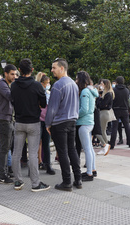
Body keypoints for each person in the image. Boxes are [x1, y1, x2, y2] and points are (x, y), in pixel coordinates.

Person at [11, 58, 50, 192]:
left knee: (16, 152)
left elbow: (12, 101)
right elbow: (44, 104)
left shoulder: (14, 86)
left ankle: (17, 181)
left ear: (19, 70)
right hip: (33, 122)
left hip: (19, 122)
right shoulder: (37, 85)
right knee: (33, 153)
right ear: (32, 70)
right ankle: (35, 183)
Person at [45, 58, 82, 192]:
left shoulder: (58, 85)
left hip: (60, 122)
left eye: (54, 67)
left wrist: (48, 123)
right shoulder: (73, 84)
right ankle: (78, 179)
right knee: (72, 150)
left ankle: (67, 182)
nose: (52, 70)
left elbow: (52, 108)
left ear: (62, 68)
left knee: (63, 152)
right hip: (72, 120)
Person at [0, 64, 18, 184]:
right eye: (12, 74)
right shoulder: (2, 85)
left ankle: (6, 172)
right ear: (6, 74)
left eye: (15, 74)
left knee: (7, 147)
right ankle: (2, 176)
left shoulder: (7, 85)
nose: (14, 76)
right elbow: (11, 97)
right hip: (4, 120)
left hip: (9, 119)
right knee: (4, 149)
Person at [75, 71, 99, 181]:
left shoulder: (84, 91)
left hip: (83, 123)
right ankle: (92, 170)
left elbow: (84, 109)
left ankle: (89, 173)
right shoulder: (91, 91)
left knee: (87, 149)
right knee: (90, 148)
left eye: (76, 79)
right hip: (89, 122)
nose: (75, 81)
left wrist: (75, 116)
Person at [109, 76, 130, 149]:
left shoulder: (114, 90)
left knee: (114, 127)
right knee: (127, 127)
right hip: (125, 110)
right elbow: (127, 100)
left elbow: (112, 100)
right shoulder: (126, 90)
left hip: (116, 110)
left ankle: (112, 144)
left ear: (116, 82)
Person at [38, 74, 55, 175]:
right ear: (42, 84)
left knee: (46, 144)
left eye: (49, 83)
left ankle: (48, 165)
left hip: (46, 121)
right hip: (39, 120)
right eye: (47, 83)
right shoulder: (39, 93)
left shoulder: (49, 94)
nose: (48, 84)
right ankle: (37, 164)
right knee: (37, 143)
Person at [96, 79, 114, 155]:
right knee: (103, 130)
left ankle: (106, 146)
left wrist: (99, 99)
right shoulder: (106, 93)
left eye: (102, 84)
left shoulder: (108, 94)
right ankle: (106, 146)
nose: (101, 85)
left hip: (104, 113)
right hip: (104, 112)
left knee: (102, 130)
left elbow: (102, 104)